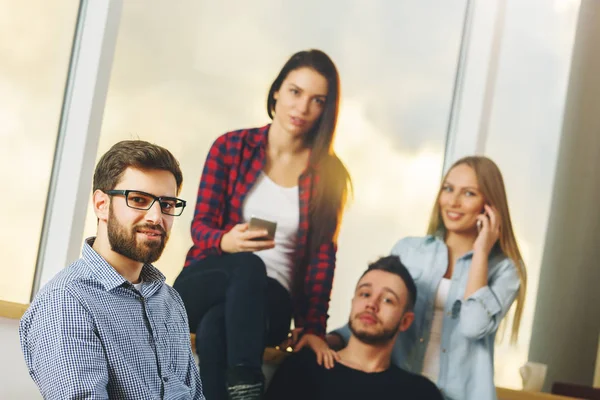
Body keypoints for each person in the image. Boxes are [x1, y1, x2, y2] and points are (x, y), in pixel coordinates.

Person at [173, 49, 352, 400]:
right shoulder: (230, 147)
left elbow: (321, 260)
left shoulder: (330, 176)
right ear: (276, 92)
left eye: (317, 101)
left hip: (270, 305)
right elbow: (201, 225)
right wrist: (226, 242)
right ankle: (249, 384)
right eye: (295, 92)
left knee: (215, 329)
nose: (302, 108)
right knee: (246, 266)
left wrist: (312, 328)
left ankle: (240, 385)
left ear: (326, 110)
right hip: (208, 278)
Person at [328, 156, 527, 400]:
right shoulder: (409, 251)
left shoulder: (505, 270)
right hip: (403, 392)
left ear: (490, 205)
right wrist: (329, 339)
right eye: (448, 189)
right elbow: (381, 317)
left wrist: (481, 253)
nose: (453, 202)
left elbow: (474, 326)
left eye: (468, 193)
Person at [19, 140, 204, 399]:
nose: (155, 217)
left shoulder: (170, 301)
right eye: (139, 199)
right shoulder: (67, 301)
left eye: (167, 205)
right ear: (101, 205)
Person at [265, 256, 443, 400]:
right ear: (353, 302)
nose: (371, 304)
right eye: (365, 294)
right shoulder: (304, 368)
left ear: (405, 321)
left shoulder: (420, 393)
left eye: (388, 299)